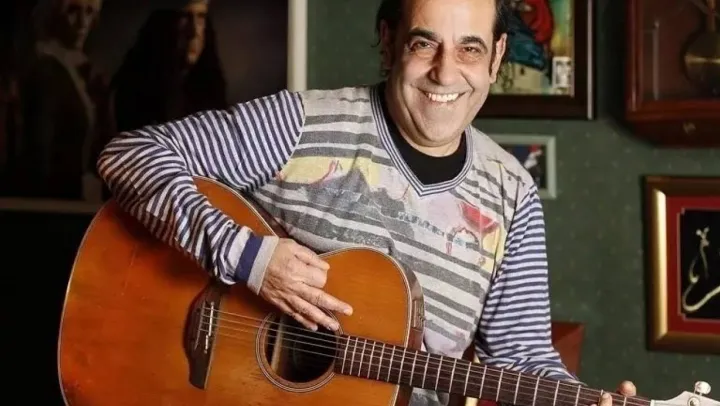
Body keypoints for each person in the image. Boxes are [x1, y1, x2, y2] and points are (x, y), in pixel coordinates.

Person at [97, 0, 637, 405]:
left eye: (469, 49)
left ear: (496, 57)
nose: (445, 72)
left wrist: (584, 401)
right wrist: (249, 259)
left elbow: (523, 358)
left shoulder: (513, 195)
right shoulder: (298, 124)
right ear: (387, 41)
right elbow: (130, 155)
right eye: (424, 44)